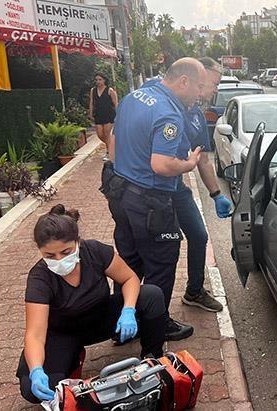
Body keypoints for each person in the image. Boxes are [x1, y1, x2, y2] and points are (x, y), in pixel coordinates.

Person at [17, 204, 166, 403]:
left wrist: (128, 310)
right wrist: (36, 370)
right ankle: (70, 362)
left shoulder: (94, 251)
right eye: (50, 256)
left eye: (66, 251)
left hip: (101, 317)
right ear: (40, 251)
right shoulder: (40, 277)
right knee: (31, 389)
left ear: (77, 242)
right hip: (64, 333)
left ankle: (152, 359)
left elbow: (129, 278)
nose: (59, 260)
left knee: (152, 295)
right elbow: (34, 334)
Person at [107, 57, 207, 341]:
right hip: (149, 200)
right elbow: (161, 165)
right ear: (183, 81)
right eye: (198, 87)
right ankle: (157, 324)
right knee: (161, 263)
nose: (200, 94)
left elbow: (113, 143)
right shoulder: (169, 114)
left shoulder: (135, 96)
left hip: (121, 193)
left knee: (128, 263)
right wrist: (188, 165)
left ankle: (120, 324)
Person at [175, 57, 233, 312]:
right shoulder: (165, 107)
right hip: (149, 190)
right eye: (213, 83)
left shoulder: (196, 115)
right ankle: (138, 307)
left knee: (198, 235)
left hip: (175, 186)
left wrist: (216, 193)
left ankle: (194, 291)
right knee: (157, 251)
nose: (214, 90)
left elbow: (204, 160)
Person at [88, 73, 118, 160]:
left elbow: (115, 103)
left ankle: (109, 152)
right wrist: (90, 113)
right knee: (100, 135)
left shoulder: (110, 90)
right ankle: (113, 146)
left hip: (109, 114)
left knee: (106, 133)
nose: (98, 81)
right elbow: (91, 102)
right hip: (98, 114)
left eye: (100, 79)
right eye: (96, 80)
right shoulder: (93, 90)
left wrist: (118, 115)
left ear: (104, 80)